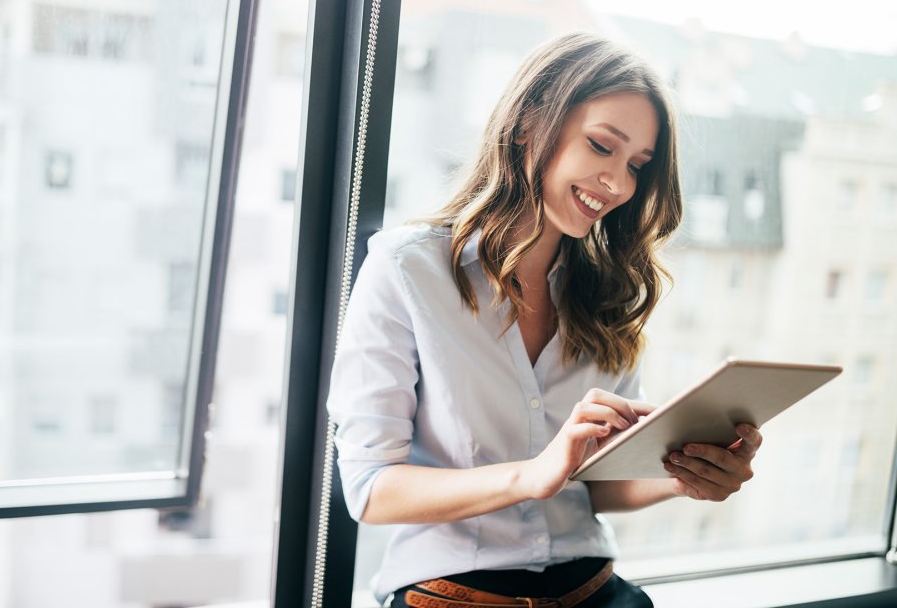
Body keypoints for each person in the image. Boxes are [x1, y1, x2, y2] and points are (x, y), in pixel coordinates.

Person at [327, 32, 763, 607]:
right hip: (455, 593)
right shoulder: (406, 269)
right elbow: (369, 488)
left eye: (637, 166)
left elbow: (596, 486)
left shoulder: (609, 293)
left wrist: (686, 477)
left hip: (597, 591)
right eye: (601, 146)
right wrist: (531, 474)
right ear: (530, 122)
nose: (619, 184)